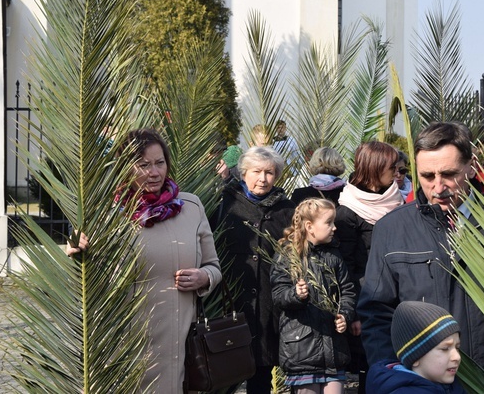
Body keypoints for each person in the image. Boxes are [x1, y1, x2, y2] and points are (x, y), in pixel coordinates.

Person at [358, 122, 484, 393]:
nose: (438, 187)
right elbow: (377, 313)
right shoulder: (391, 230)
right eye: (427, 176)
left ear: (472, 165)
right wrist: (397, 377)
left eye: (449, 174)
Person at [68, 128, 222, 393]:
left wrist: (204, 277)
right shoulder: (108, 214)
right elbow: (86, 272)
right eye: (143, 165)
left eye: (160, 163)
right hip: (129, 343)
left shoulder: (191, 207)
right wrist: (75, 249)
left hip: (183, 345)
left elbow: (213, 266)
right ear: (125, 168)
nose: (154, 172)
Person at [211, 146, 296, 393]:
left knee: (261, 372)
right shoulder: (225, 203)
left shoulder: (286, 210)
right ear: (244, 172)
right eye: (257, 171)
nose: (263, 178)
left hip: (269, 305)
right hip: (230, 301)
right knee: (225, 372)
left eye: (269, 173)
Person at [335, 141, 404, 393]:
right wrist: (354, 313)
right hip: (369, 303)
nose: (397, 173)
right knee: (372, 368)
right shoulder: (348, 212)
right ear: (374, 169)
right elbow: (345, 267)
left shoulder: (397, 202)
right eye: (392, 168)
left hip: (400, 301)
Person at [270, 198, 356, 394]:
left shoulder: (333, 256)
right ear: (309, 226)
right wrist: (295, 295)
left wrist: (345, 314)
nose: (334, 228)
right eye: (329, 223)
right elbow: (278, 294)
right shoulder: (288, 255)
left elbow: (347, 290)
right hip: (302, 351)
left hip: (334, 351)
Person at [366, 301, 466, 393]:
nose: (456, 357)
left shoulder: (450, 385)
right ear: (415, 358)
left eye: (457, 347)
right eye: (445, 349)